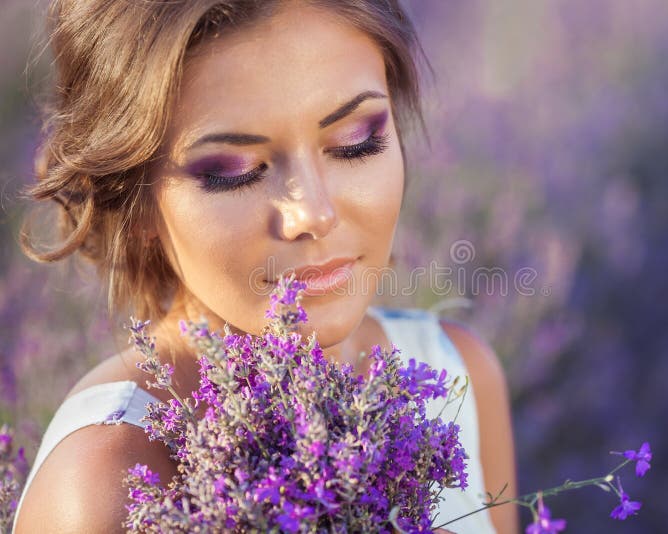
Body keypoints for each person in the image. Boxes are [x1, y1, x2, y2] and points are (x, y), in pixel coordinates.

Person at [13, 1, 518, 532]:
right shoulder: (108, 480)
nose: (314, 214)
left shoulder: (459, 376)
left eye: (355, 143)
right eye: (237, 172)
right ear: (133, 197)